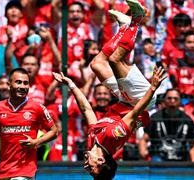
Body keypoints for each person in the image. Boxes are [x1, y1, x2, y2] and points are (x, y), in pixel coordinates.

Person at [53, 0, 165, 178]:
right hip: (140, 99)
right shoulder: (113, 137)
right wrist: (152, 87)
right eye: (91, 169)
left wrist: (71, 85)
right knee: (114, 60)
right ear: (100, 161)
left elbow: (86, 109)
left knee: (97, 64)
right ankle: (136, 20)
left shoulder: (93, 141)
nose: (85, 167)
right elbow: (136, 112)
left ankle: (124, 28)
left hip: (125, 99)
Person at [0, 68, 58, 179]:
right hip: (3, 171)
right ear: (9, 84)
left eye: (26, 83)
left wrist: (36, 142)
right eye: (18, 82)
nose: (23, 86)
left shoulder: (37, 107)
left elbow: (54, 131)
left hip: (25, 172)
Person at [139, 89, 194, 161]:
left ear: (180, 101)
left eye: (175, 99)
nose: (172, 101)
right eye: (169, 98)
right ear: (164, 100)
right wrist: (143, 152)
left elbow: (193, 145)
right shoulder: (155, 117)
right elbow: (144, 139)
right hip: (158, 159)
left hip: (181, 160)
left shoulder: (187, 120)